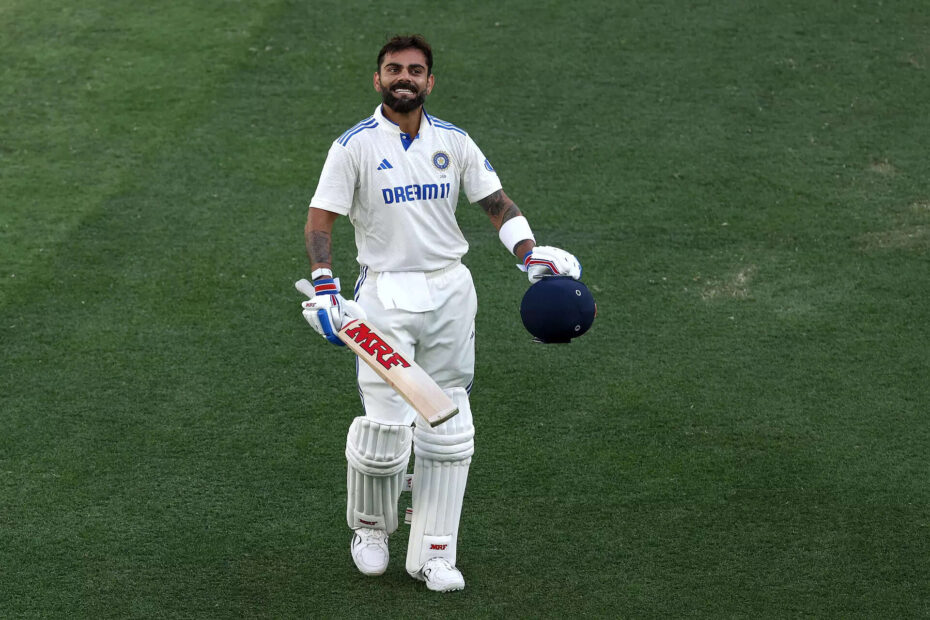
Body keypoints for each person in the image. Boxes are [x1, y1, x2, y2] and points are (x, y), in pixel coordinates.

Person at [299, 34, 581, 592]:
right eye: (393, 69)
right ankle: (370, 530)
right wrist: (327, 287)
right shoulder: (353, 146)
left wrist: (530, 255)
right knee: (385, 427)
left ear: (429, 81)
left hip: (451, 291)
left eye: (415, 70)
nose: (403, 77)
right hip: (384, 296)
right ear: (378, 79)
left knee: (449, 428)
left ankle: (434, 553)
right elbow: (320, 219)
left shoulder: (454, 141)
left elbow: (496, 204)